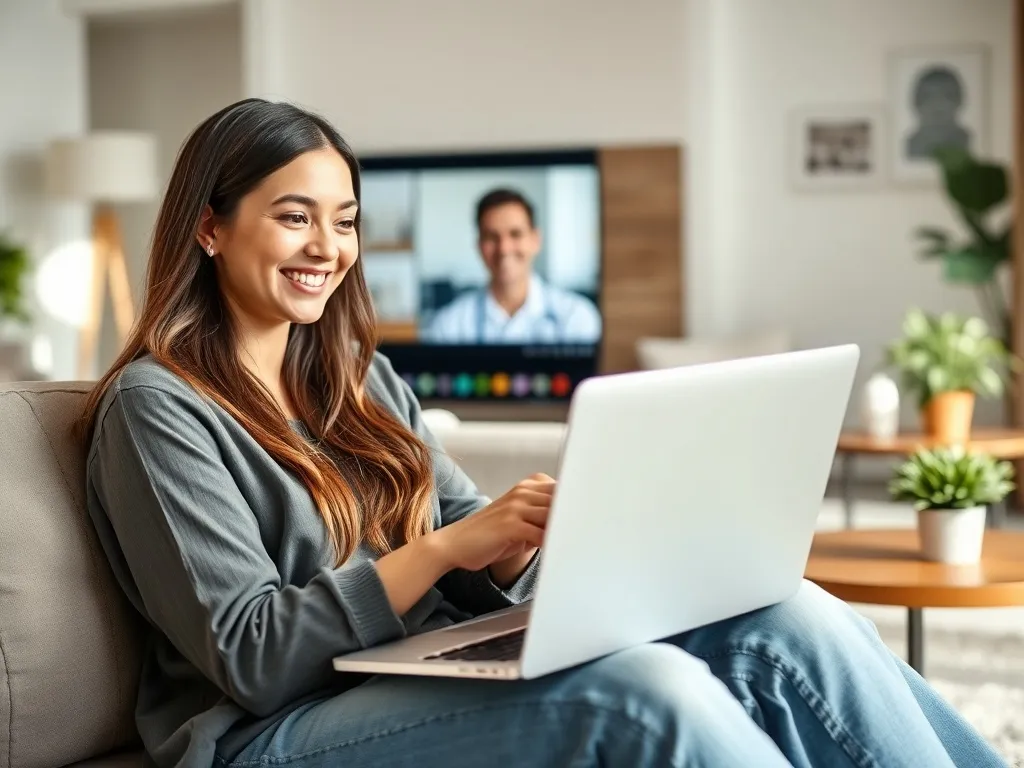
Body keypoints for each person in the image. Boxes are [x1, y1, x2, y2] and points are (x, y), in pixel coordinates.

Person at [79, 98, 1007, 768]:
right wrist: (444, 552)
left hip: (425, 670)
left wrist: (540, 542)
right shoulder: (160, 407)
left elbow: (465, 530)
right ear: (209, 226)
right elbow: (250, 654)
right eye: (294, 217)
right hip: (274, 730)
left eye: (346, 221)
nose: (329, 247)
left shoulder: (356, 374)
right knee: (649, 693)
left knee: (783, 610)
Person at [424, 188, 601, 344]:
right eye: (492, 237)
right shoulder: (447, 326)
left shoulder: (576, 317)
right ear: (479, 245)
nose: (504, 248)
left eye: (515, 234)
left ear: (535, 240)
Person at [905, 65, 972, 160]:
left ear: (959, 100)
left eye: (947, 96)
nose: (938, 105)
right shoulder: (908, 145)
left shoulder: (969, 141)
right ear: (916, 102)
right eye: (928, 96)